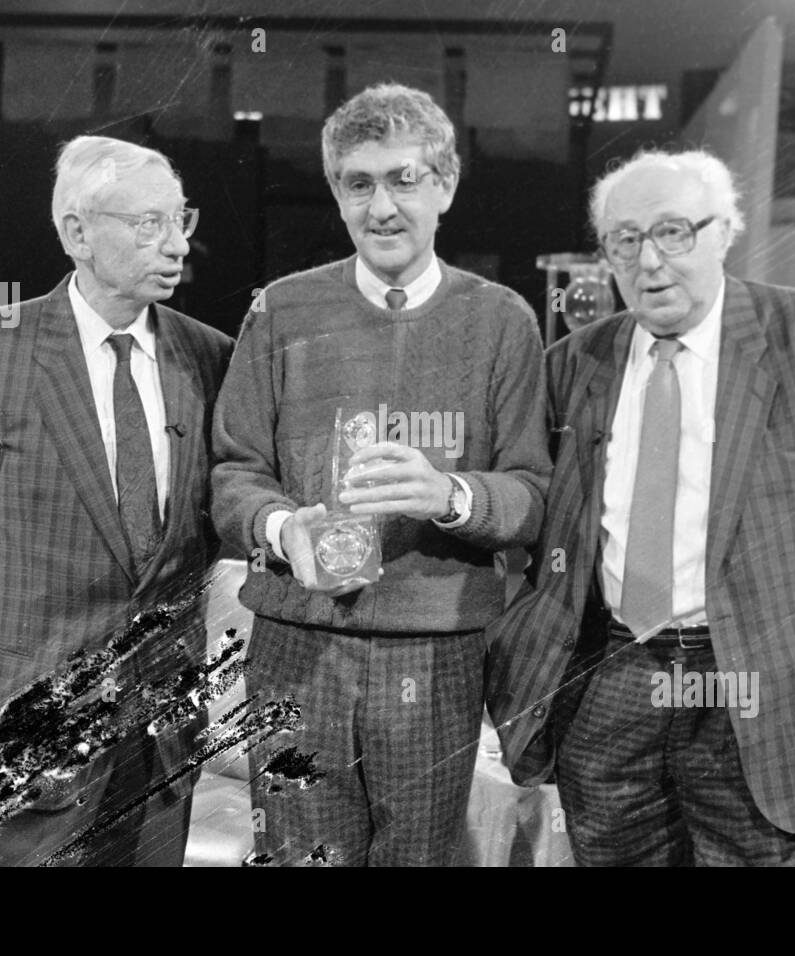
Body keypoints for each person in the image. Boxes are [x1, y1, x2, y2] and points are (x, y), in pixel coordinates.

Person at [486, 148, 795, 866]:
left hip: (754, 696)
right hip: (609, 683)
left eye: (674, 232)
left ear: (724, 232)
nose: (649, 261)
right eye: (625, 240)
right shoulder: (571, 363)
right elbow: (527, 526)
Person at [212, 83, 551, 866]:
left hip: (434, 651)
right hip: (296, 643)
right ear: (336, 195)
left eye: (404, 179)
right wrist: (279, 525)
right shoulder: (280, 311)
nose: (383, 206)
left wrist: (450, 495)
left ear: (445, 187)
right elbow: (234, 472)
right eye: (358, 183)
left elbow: (533, 492)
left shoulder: (502, 321)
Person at [0, 135, 233, 865]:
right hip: (27, 719)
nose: (177, 244)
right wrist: (7, 650)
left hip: (158, 732)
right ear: (76, 233)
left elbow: (204, 534)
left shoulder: (212, 355)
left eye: (183, 220)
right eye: (149, 224)